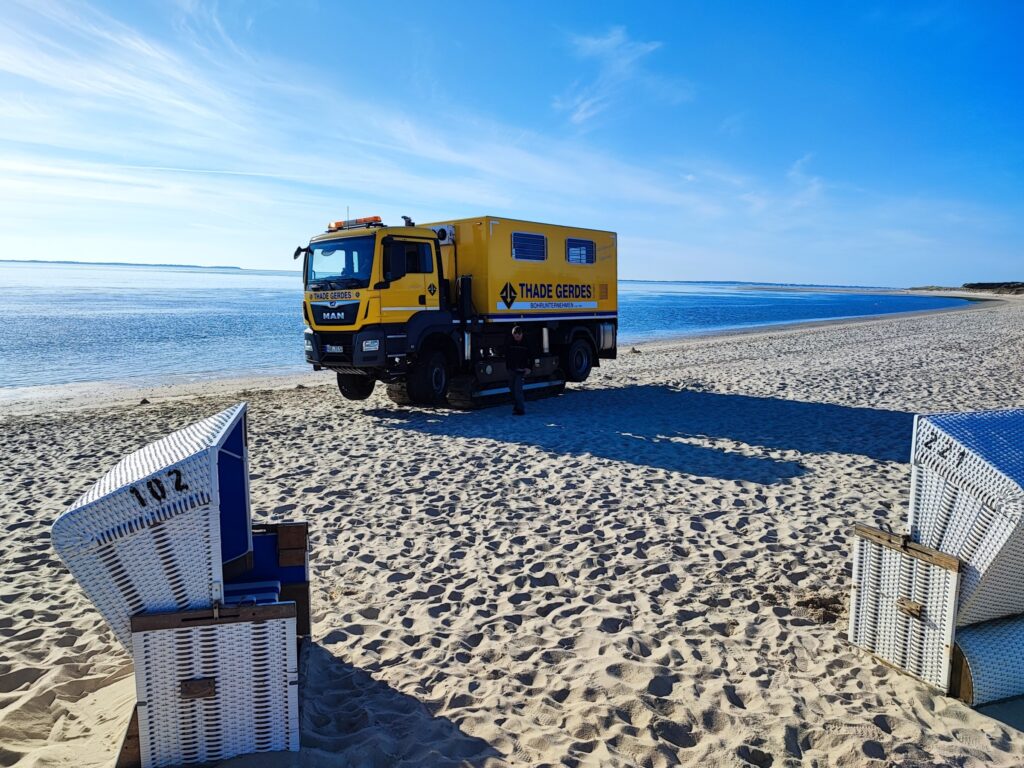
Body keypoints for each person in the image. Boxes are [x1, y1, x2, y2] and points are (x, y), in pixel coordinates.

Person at [506, 326, 531, 415]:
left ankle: (520, 409)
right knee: (511, 387)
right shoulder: (510, 342)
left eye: (518, 335)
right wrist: (508, 367)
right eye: (515, 335)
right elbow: (507, 355)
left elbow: (531, 356)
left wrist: (529, 367)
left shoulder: (526, 343)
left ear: (521, 334)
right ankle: (516, 406)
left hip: (521, 370)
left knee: (518, 389)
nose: (516, 337)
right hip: (512, 369)